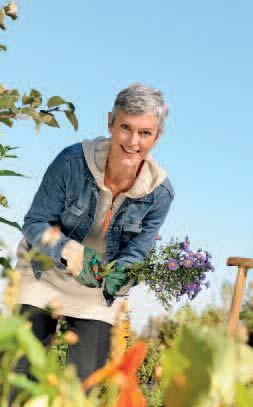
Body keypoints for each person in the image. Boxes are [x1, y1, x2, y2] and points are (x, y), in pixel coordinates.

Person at [13, 83, 174, 385]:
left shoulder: (159, 194)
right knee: (22, 374)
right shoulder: (71, 162)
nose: (133, 141)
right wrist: (71, 252)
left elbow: (136, 253)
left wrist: (123, 273)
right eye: (125, 127)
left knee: (84, 382)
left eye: (145, 133)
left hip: (95, 290)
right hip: (44, 272)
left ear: (157, 137)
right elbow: (36, 222)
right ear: (110, 122)